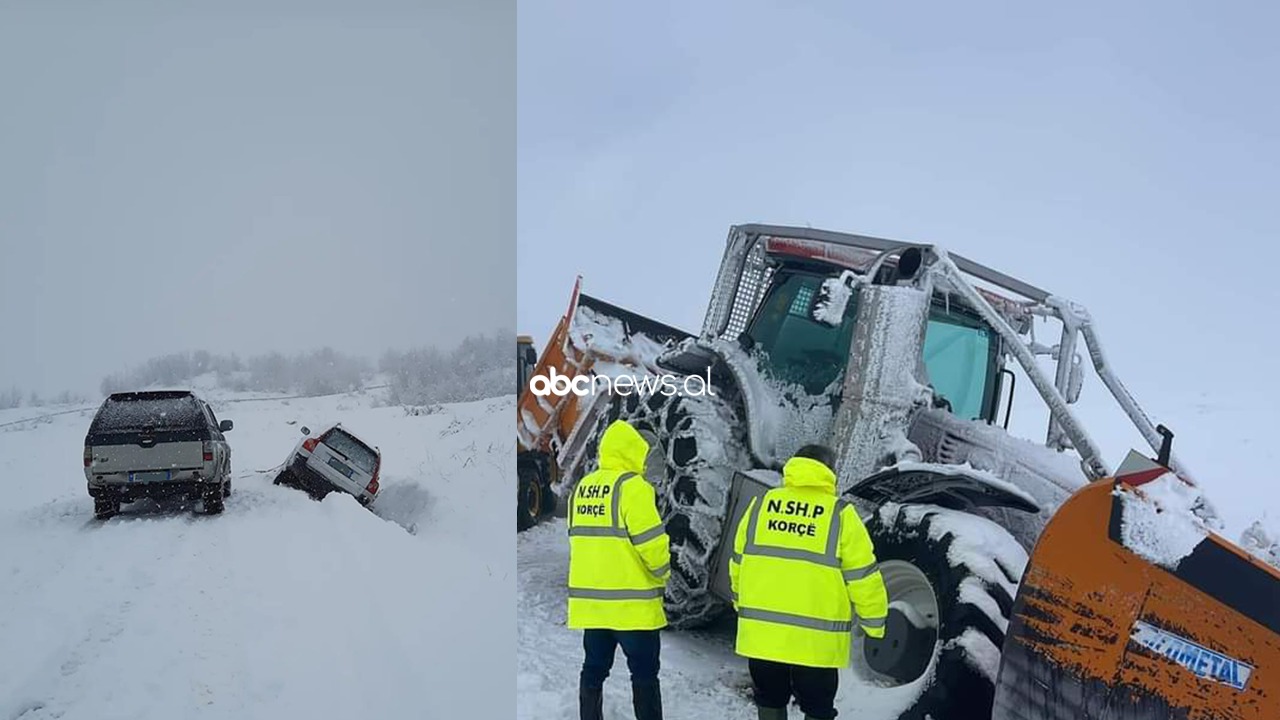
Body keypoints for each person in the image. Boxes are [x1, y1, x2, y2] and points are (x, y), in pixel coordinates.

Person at [729, 444, 890, 720]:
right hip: (817, 644)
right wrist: (875, 624)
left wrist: (739, 602)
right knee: (818, 707)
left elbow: (738, 563)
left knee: (769, 699)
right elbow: (863, 577)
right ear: (830, 472)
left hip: (764, 637)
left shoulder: (762, 505)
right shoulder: (841, 515)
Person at [567, 419, 671, 720]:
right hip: (633, 608)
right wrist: (663, 572)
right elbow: (652, 545)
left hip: (593, 608)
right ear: (632, 452)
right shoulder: (634, 488)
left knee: (593, 669)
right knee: (644, 674)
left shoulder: (583, 487)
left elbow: (577, 538)